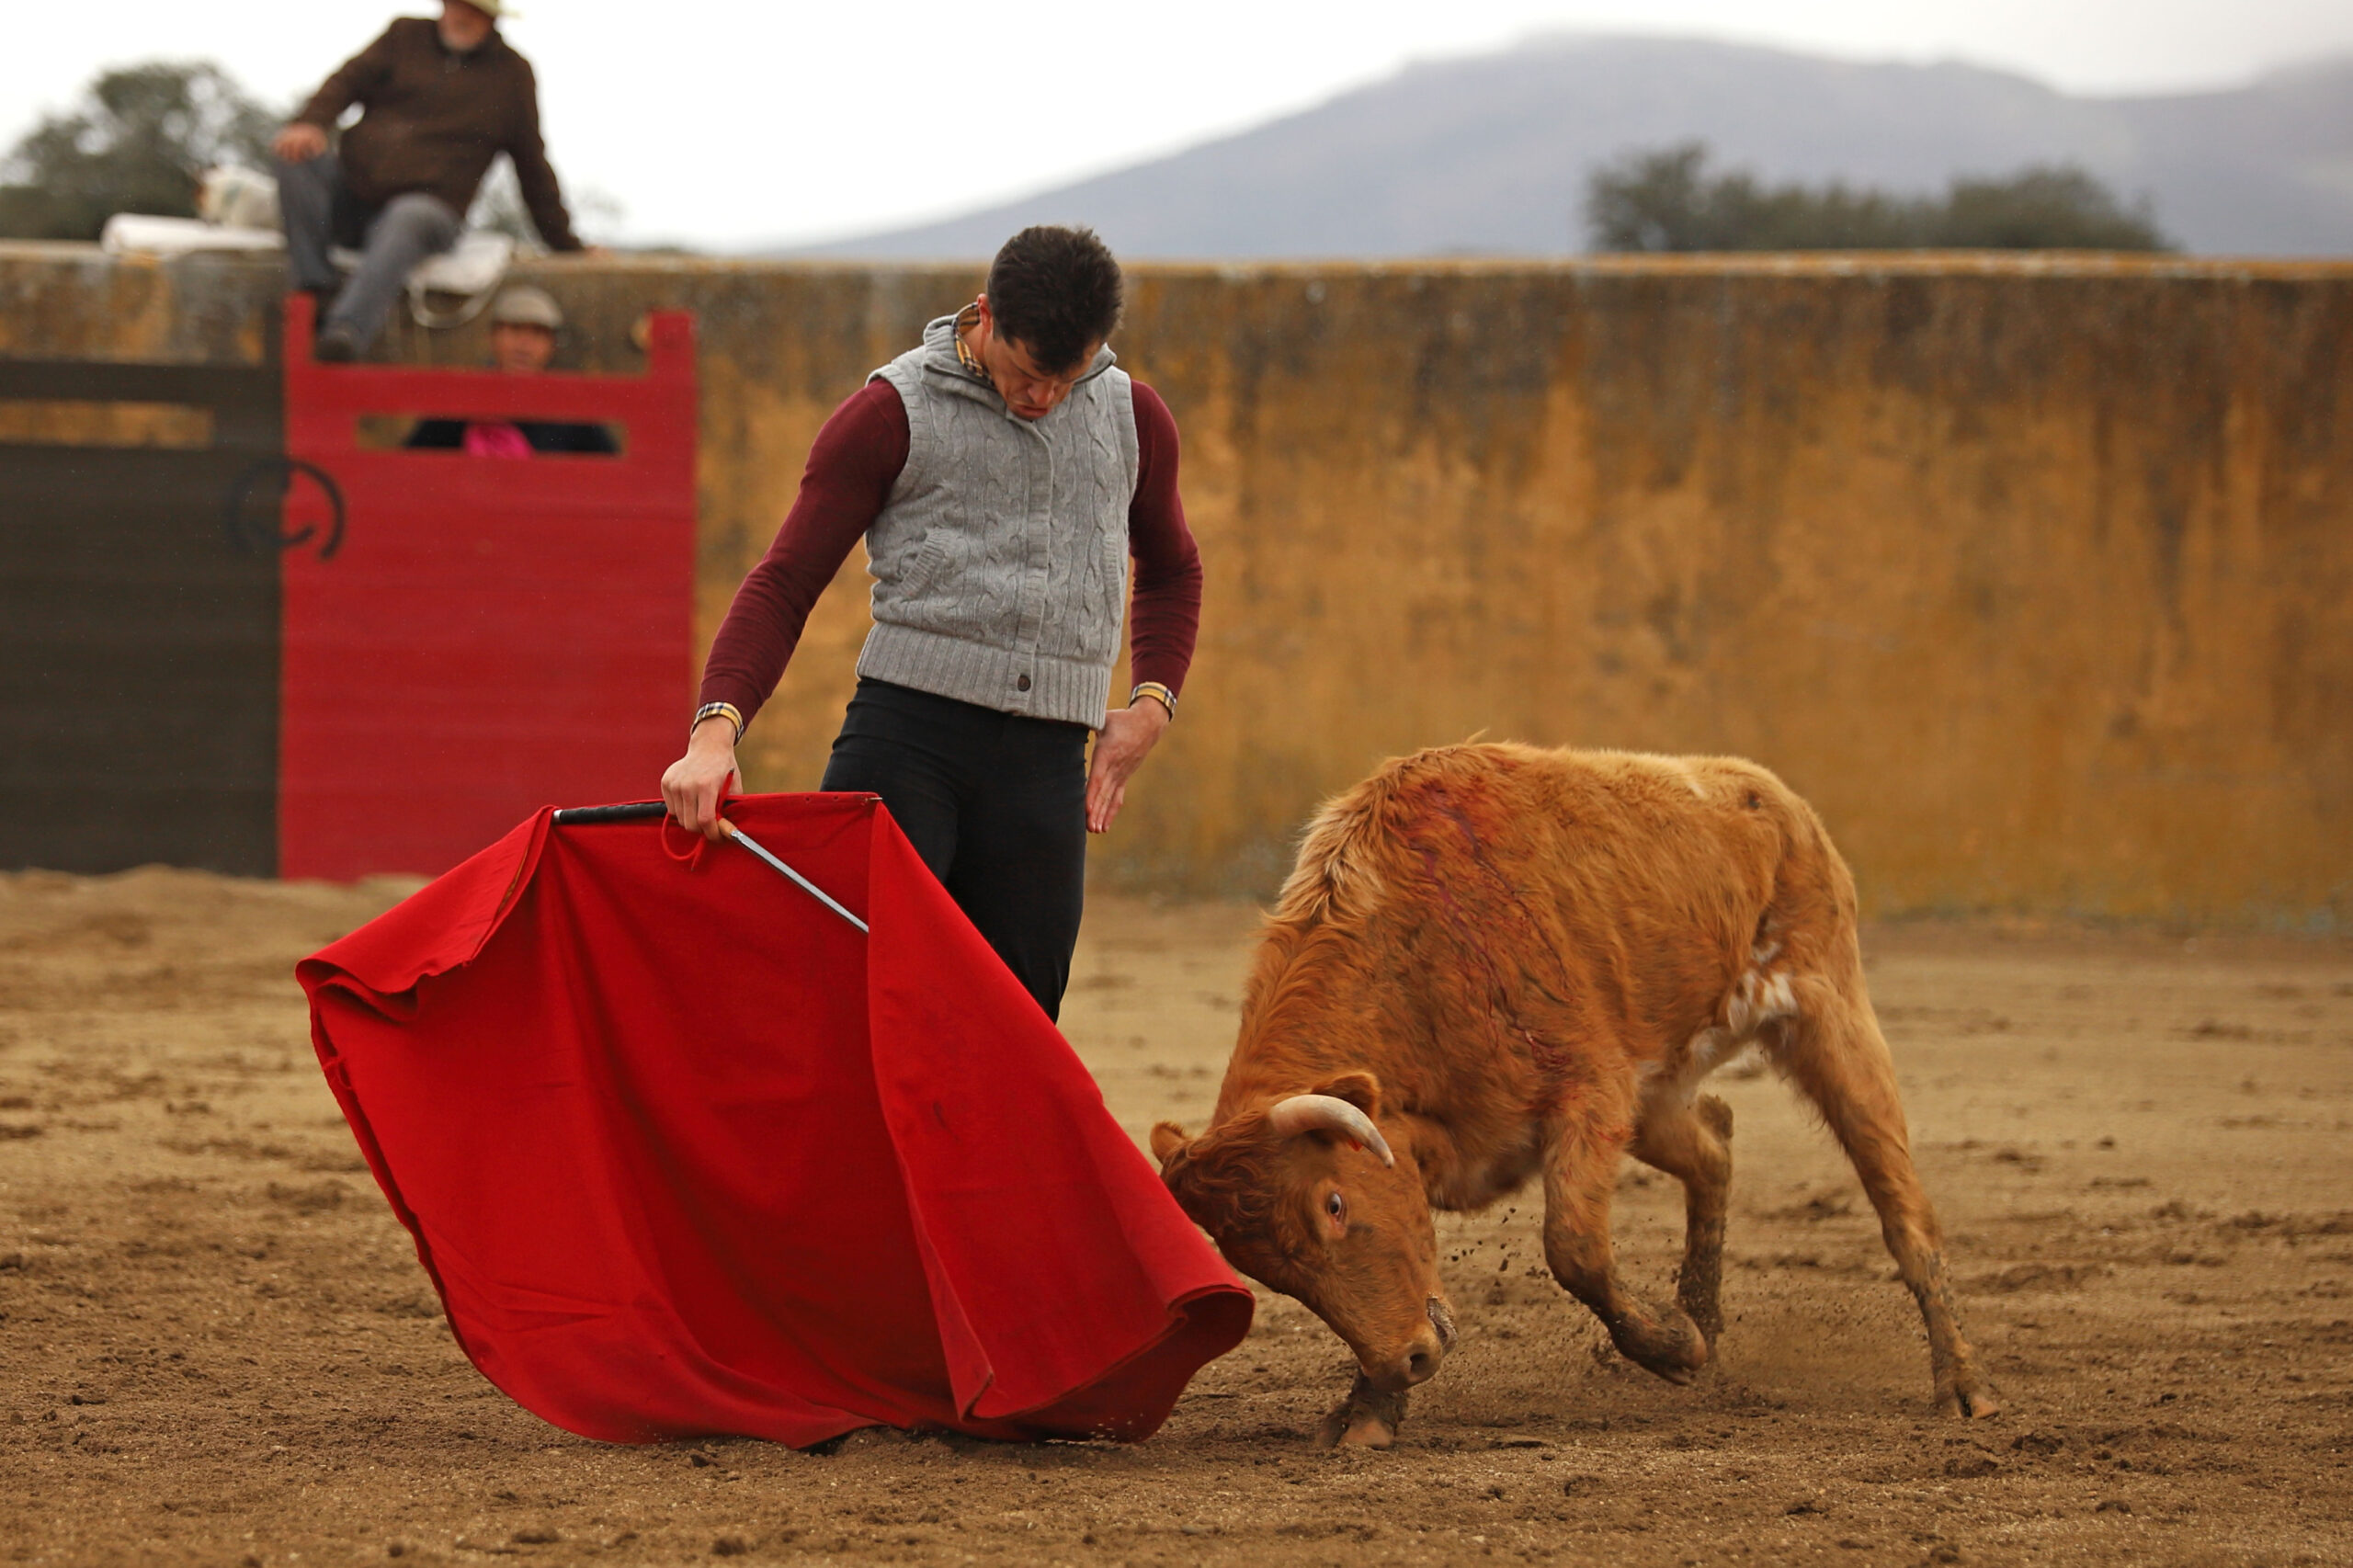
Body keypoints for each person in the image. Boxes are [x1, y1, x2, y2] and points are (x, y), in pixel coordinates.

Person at [662, 226, 1202, 1022]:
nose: (1044, 398)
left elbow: (1173, 567)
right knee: (844, 1013)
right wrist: (715, 733)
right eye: (1026, 371)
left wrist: (1154, 702)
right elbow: (784, 582)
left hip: (1047, 763)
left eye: (1068, 374)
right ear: (985, 315)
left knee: (1017, 1035)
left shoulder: (1134, 417)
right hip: (907, 747)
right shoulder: (890, 411)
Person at [272, 0, 591, 361]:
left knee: (409, 215)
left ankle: (347, 330)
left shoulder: (511, 74)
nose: (463, 14)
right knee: (294, 155)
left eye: (476, 9)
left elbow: (532, 164)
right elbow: (346, 81)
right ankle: (316, 288)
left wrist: (566, 244)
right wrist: (310, 122)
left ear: (492, 17)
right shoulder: (403, 35)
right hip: (355, 195)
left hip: (428, 211)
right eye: (458, 4)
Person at [404, 286, 618, 455]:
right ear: (492, 337)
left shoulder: (570, 406)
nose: (525, 344)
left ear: (551, 346)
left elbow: (610, 471)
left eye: (537, 333)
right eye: (515, 330)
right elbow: (411, 464)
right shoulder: (461, 399)